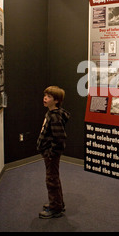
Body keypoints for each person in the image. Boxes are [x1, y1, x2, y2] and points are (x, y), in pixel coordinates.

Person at [36, 86, 70, 219]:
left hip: (51, 154)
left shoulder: (55, 117)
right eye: (45, 95)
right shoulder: (50, 113)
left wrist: (51, 153)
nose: (45, 98)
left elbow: (60, 138)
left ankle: (55, 208)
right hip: (49, 153)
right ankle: (58, 203)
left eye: (49, 97)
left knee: (51, 180)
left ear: (56, 101)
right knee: (54, 177)